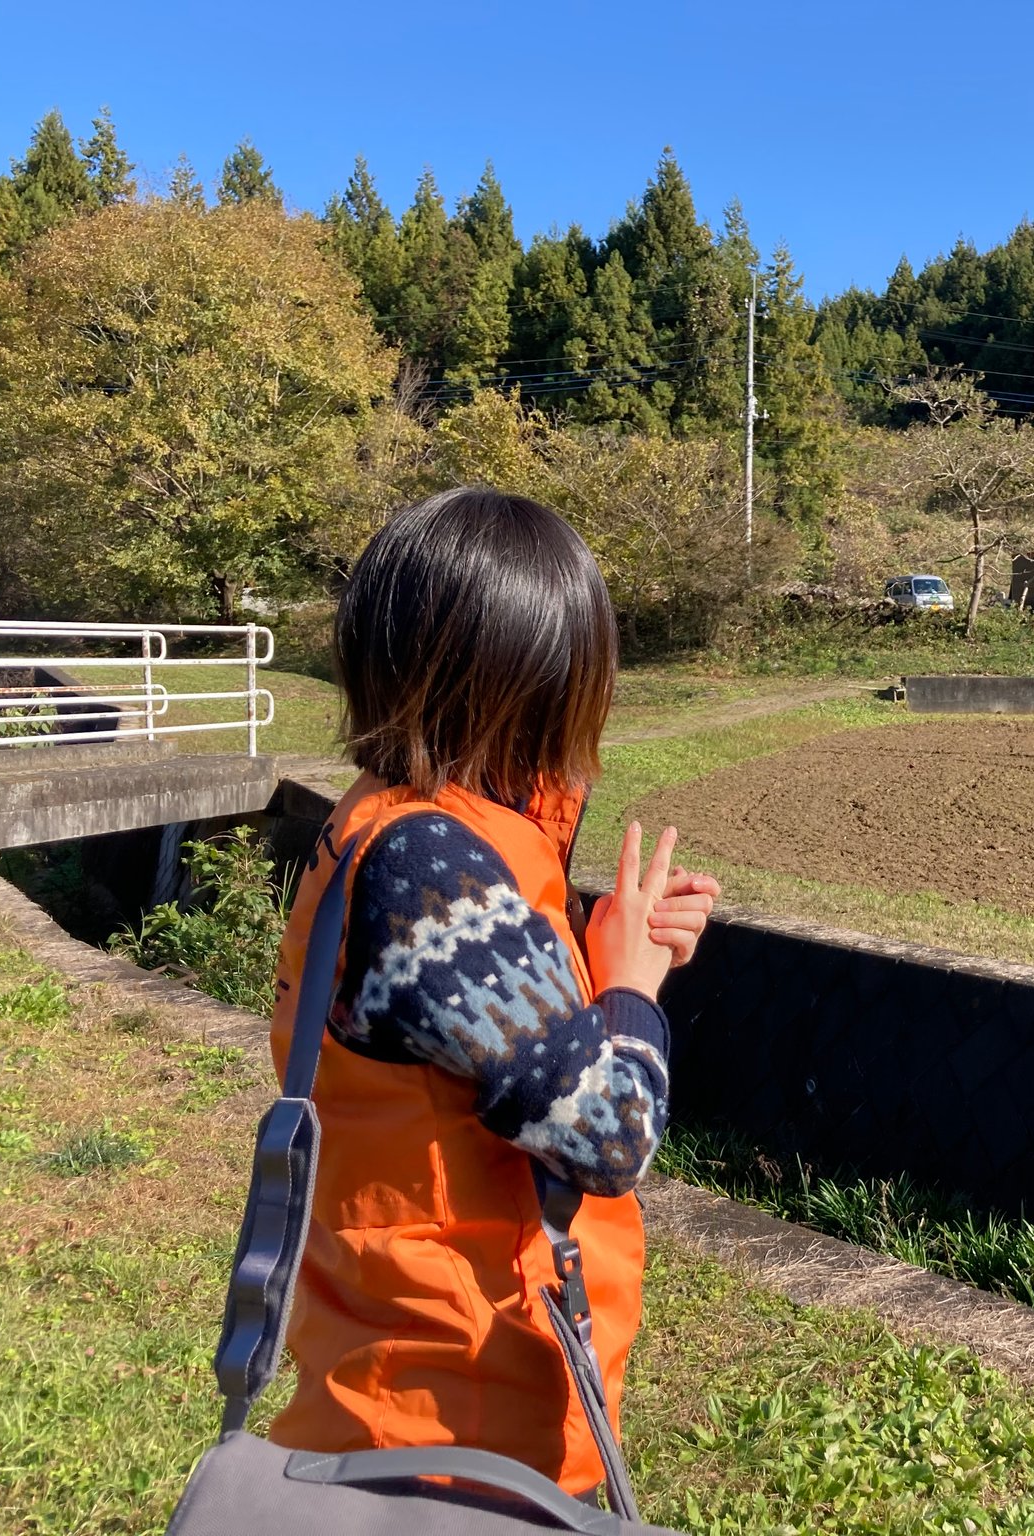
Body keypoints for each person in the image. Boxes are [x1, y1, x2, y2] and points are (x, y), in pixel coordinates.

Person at [266, 486, 719, 1499]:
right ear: (537, 684)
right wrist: (633, 989)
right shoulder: (432, 870)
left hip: (409, 1391)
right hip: (451, 1427)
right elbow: (607, 1132)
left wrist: (603, 955)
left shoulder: (389, 829)